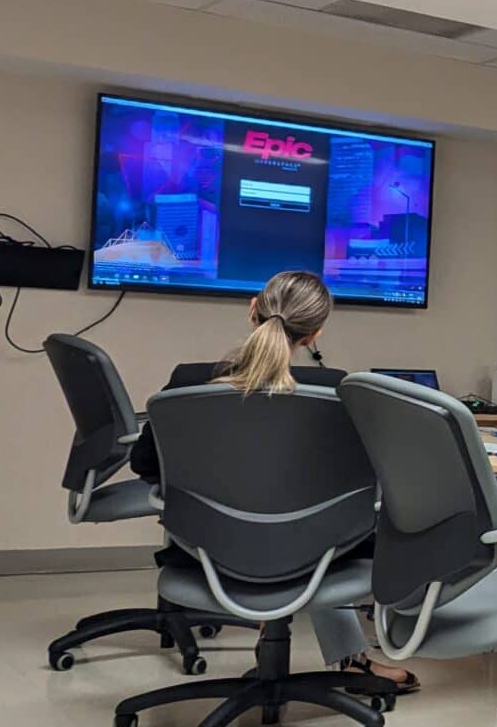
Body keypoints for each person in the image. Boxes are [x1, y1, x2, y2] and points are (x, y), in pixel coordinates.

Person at [129, 270, 417, 693]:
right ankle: (350, 659)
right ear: (315, 333)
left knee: (317, 524)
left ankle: (307, 646)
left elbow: (144, 465)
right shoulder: (340, 392)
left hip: (208, 552)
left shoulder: (187, 383)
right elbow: (369, 481)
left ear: (253, 310)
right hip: (317, 556)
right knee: (336, 523)